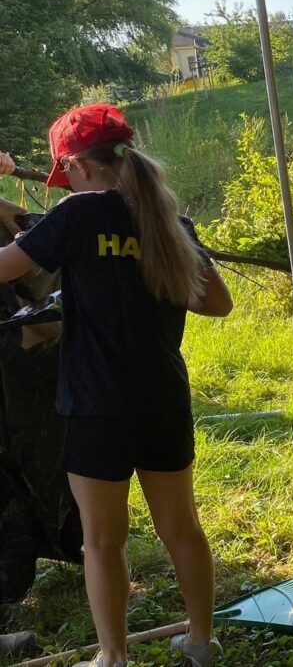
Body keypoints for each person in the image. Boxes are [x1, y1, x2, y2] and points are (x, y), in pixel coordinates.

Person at [0, 104, 233, 667]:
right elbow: (218, 304)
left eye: (65, 176)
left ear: (78, 166)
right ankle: (201, 642)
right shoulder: (169, 218)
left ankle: (112, 658)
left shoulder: (78, 215)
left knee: (103, 541)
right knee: (182, 528)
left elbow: (6, 267)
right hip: (162, 399)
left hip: (93, 405)